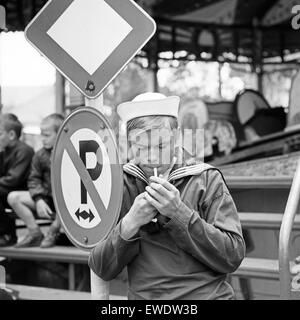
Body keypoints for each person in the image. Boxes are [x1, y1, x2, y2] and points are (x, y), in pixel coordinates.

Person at [88, 92, 246, 300]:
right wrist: (130, 223)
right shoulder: (121, 184)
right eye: (141, 147)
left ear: (177, 135)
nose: (152, 157)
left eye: (161, 145)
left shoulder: (205, 179)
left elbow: (232, 256)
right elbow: (101, 268)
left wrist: (178, 213)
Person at [8, 113, 64, 248]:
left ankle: (53, 231)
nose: (43, 139)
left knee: (68, 201)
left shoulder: (69, 153)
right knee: (13, 197)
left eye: (47, 135)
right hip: (46, 200)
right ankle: (34, 232)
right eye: (41, 135)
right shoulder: (39, 155)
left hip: (65, 202)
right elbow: (34, 179)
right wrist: (38, 199)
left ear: (60, 133)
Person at [0, 113, 34, 247]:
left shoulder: (25, 151)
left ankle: (7, 234)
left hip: (24, 193)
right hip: (7, 191)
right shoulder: (3, 152)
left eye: (0, 133)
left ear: (12, 135)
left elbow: (14, 179)